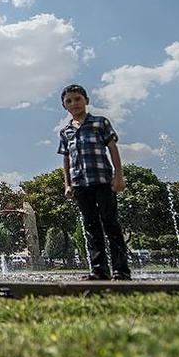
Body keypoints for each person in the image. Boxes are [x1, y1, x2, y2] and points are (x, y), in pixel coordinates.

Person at [57, 84, 132, 281]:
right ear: (64, 106)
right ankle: (99, 270)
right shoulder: (65, 132)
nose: (74, 103)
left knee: (110, 224)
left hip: (102, 180)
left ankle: (121, 270)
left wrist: (118, 176)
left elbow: (112, 148)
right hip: (80, 183)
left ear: (86, 101)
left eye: (78, 99)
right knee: (91, 227)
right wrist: (67, 184)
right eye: (69, 101)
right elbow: (66, 158)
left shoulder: (100, 123)